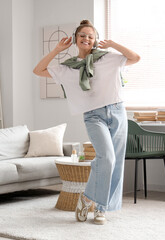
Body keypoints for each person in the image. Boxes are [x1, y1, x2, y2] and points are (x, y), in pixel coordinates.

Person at [33, 20, 140, 225]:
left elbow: (135, 58)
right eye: (82, 35)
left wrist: (114, 44)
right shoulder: (68, 68)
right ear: (75, 39)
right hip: (93, 116)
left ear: (96, 40)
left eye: (90, 36)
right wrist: (57, 49)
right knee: (106, 157)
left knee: (114, 162)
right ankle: (91, 199)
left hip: (117, 111)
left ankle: (98, 207)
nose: (86, 39)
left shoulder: (108, 58)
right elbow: (38, 70)